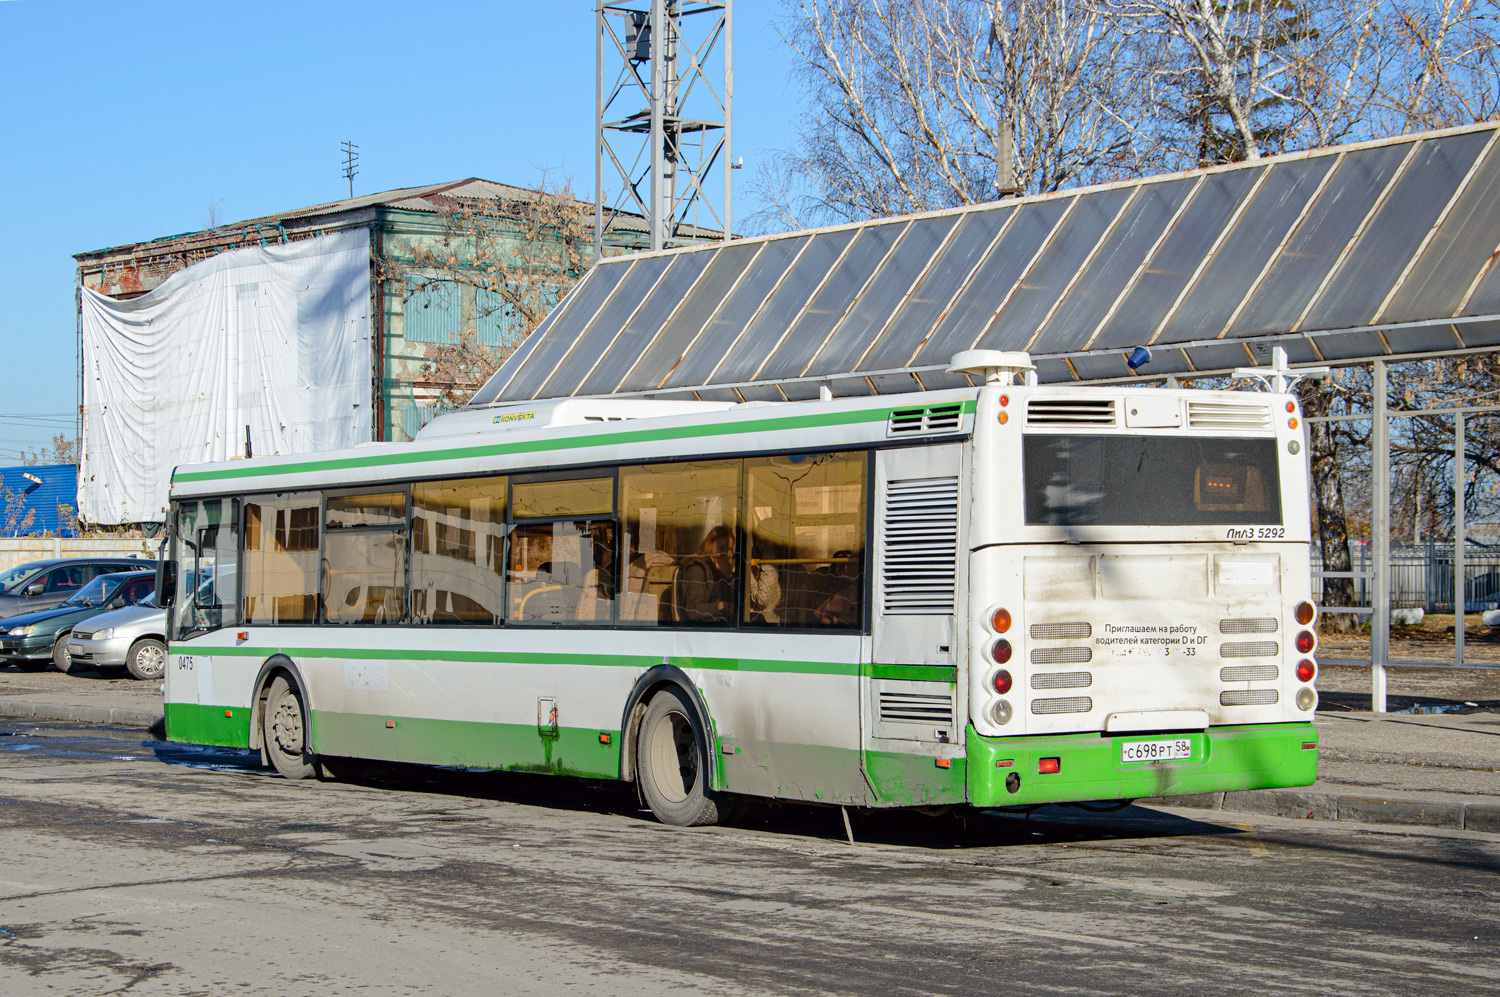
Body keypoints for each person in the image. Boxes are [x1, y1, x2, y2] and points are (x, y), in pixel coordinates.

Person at [677, 525, 736, 625]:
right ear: (709, 546)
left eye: (729, 549)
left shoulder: (719, 569)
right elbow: (692, 611)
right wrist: (721, 606)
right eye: (721, 547)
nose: (725, 553)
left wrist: (728, 576)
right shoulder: (698, 569)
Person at [816, 549, 862, 627]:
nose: (841, 570)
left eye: (845, 567)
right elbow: (821, 615)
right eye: (839, 567)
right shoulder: (825, 579)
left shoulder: (856, 588)